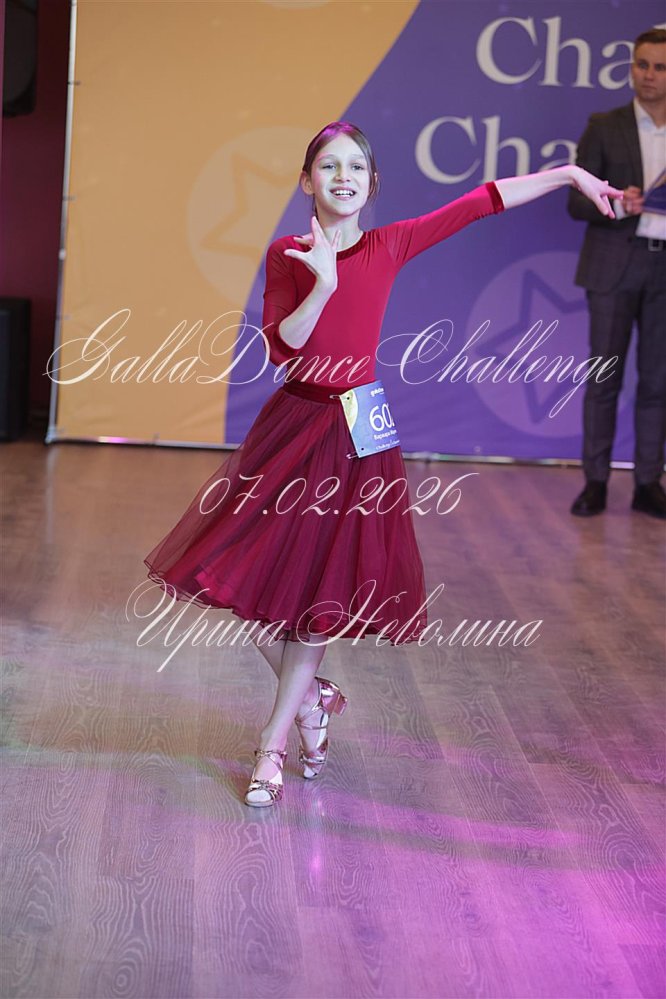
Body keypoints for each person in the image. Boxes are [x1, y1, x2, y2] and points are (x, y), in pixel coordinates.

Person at [143, 121, 621, 807]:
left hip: (358, 431)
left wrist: (569, 175)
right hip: (292, 426)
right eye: (328, 165)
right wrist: (322, 282)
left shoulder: (391, 243)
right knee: (240, 579)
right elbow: (284, 347)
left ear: (372, 184)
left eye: (356, 167)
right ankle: (313, 697)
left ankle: (273, 744)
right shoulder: (288, 253)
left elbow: (482, 200)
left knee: (319, 598)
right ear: (306, 180)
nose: (342, 176)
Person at [568, 27, 666, 520]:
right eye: (641, 65)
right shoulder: (604, 125)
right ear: (631, 68)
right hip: (613, 265)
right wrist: (618, 202)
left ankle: (649, 482)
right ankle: (596, 482)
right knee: (603, 378)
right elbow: (575, 203)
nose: (649, 75)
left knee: (658, 381)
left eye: (660, 67)